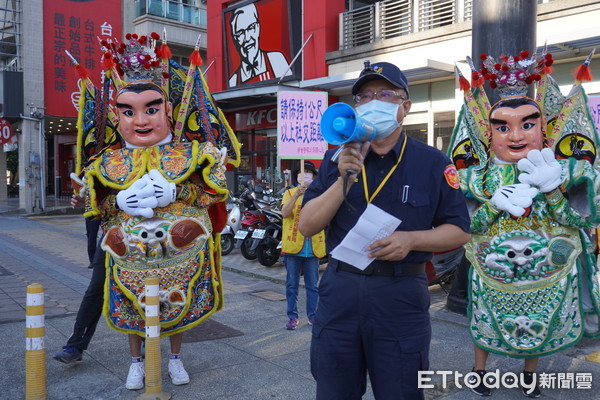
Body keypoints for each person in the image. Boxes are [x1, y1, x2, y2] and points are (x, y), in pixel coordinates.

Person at [60, 32, 240, 391]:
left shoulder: (193, 153)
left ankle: (175, 359)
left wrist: (179, 189)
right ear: (116, 114)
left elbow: (214, 193)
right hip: (130, 255)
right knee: (130, 306)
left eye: (151, 109)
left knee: (176, 305)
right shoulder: (106, 161)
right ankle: (136, 363)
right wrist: (117, 203)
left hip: (180, 252)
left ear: (168, 111)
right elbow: (95, 205)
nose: (140, 120)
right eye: (128, 111)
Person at [299, 61, 471, 399]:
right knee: (334, 389)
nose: (373, 101)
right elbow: (307, 225)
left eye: (385, 93)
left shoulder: (433, 162)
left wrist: (412, 239)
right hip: (341, 290)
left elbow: (459, 231)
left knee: (402, 389)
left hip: (401, 293)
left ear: (405, 106)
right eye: (364, 96)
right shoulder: (335, 157)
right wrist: (343, 181)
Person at [451, 51, 600, 397]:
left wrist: (552, 191)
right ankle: (480, 369)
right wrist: (493, 205)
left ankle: (529, 373)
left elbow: (579, 219)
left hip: (546, 268)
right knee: (485, 317)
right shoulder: (477, 175)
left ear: (543, 127)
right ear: (489, 132)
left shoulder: (562, 170)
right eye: (502, 126)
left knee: (539, 322)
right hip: (493, 267)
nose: (515, 135)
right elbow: (464, 224)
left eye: (527, 124)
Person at [53, 194, 105, 364]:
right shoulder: (109, 169)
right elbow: (102, 202)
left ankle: (145, 339)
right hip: (112, 235)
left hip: (145, 236)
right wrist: (88, 202)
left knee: (140, 288)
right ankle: (75, 345)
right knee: (95, 289)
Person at [280, 161, 325, 330]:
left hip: (312, 248)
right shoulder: (289, 192)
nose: (304, 175)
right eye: (301, 172)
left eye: (308, 172)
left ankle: (313, 316)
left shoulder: (320, 194)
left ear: (314, 176)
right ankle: (292, 317)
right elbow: (284, 213)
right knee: (292, 285)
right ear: (296, 176)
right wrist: (296, 195)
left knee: (313, 285)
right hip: (293, 247)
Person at [228, 2, 291, 87]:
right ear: (235, 39)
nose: (247, 38)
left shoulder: (276, 60)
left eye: (251, 28)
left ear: (258, 28)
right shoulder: (233, 81)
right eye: (240, 33)